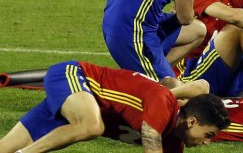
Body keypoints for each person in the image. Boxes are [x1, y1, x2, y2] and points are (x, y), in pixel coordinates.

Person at [0, 61, 230, 153]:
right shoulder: (164, 103)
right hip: (74, 76)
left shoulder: (173, 143)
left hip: (80, 106)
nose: (207, 142)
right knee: (92, 126)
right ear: (192, 121)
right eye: (208, 134)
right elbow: (151, 142)